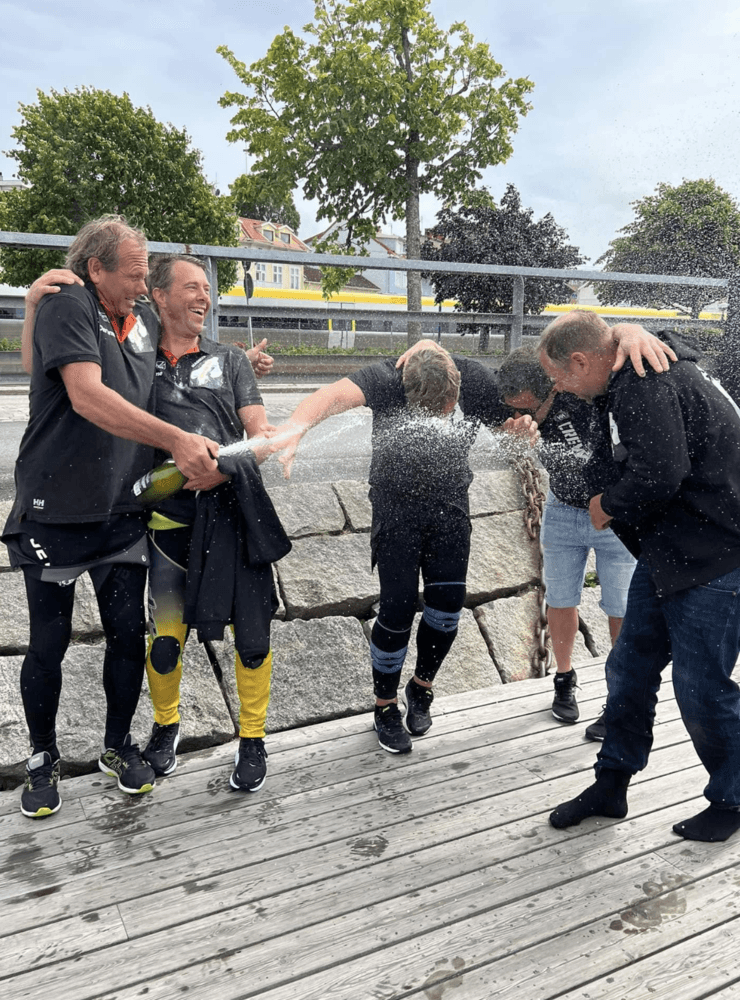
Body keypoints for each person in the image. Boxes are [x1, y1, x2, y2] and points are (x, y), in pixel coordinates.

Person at [3, 216, 220, 819]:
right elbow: (86, 395)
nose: (142, 283)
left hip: (123, 512)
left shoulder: (144, 319)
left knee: (128, 636)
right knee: (48, 643)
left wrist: (234, 377)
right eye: (132, 273)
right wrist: (178, 441)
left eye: (146, 272)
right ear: (95, 268)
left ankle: (117, 745)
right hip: (55, 512)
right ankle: (42, 758)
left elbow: (172, 371)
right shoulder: (66, 303)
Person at [269, 342, 534, 754]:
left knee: (448, 606)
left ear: (457, 385)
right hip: (395, 509)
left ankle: (422, 686)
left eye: (448, 406)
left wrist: (517, 434)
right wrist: (296, 428)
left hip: (450, 507)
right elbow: (330, 397)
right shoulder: (385, 378)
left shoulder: (475, 378)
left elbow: (506, 431)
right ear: (406, 393)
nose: (444, 415)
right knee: (397, 608)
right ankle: (385, 705)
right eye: (432, 412)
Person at [540, 310, 740, 843]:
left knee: (701, 685)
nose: (559, 388)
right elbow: (619, 457)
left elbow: (660, 472)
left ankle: (734, 797)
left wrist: (607, 503)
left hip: (715, 556)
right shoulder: (628, 371)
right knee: (629, 667)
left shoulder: (642, 382)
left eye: (559, 376)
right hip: (669, 554)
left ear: (581, 361)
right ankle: (612, 783)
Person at [139, 254, 287, 792]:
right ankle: (165, 727)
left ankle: (253, 738)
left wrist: (222, 470)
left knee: (252, 636)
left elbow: (263, 438)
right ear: (159, 295)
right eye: (192, 288)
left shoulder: (232, 362)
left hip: (232, 516)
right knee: (164, 639)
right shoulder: (136, 362)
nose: (204, 298)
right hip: (167, 525)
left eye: (208, 289)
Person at [498, 344, 644, 735]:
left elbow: (602, 344)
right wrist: (515, 437)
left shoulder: (588, 394)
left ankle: (622, 698)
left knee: (621, 607)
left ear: (554, 387)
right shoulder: (520, 410)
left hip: (614, 515)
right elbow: (505, 438)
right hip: (563, 509)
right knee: (560, 599)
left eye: (526, 410)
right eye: (513, 410)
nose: (520, 417)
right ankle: (564, 681)